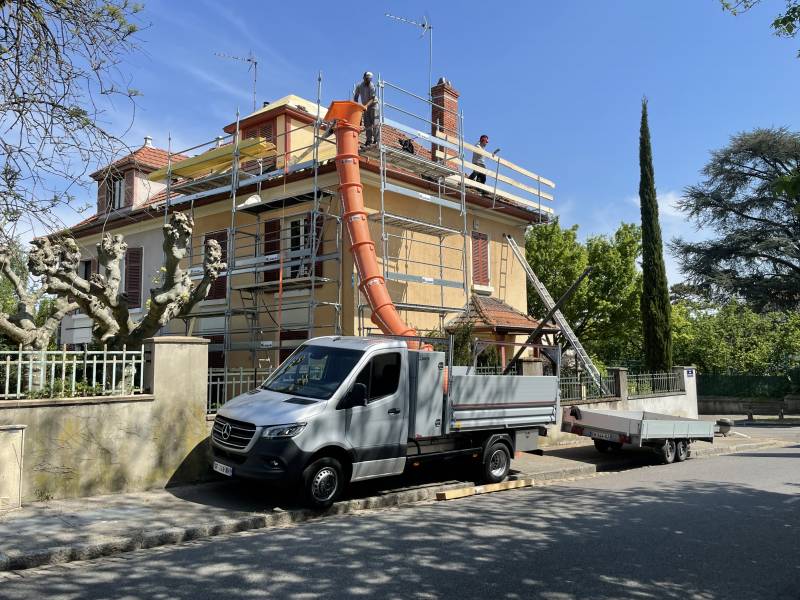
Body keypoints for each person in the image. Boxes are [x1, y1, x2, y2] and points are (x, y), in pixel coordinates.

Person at [353, 71, 379, 146]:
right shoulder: (359, 86)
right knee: (367, 124)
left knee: (375, 123)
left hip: (373, 105)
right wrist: (357, 108)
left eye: (369, 79)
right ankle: (368, 141)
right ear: (364, 77)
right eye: (367, 79)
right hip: (365, 107)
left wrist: (366, 106)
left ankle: (376, 140)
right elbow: (356, 97)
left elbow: (372, 98)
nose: (368, 81)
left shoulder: (371, 86)